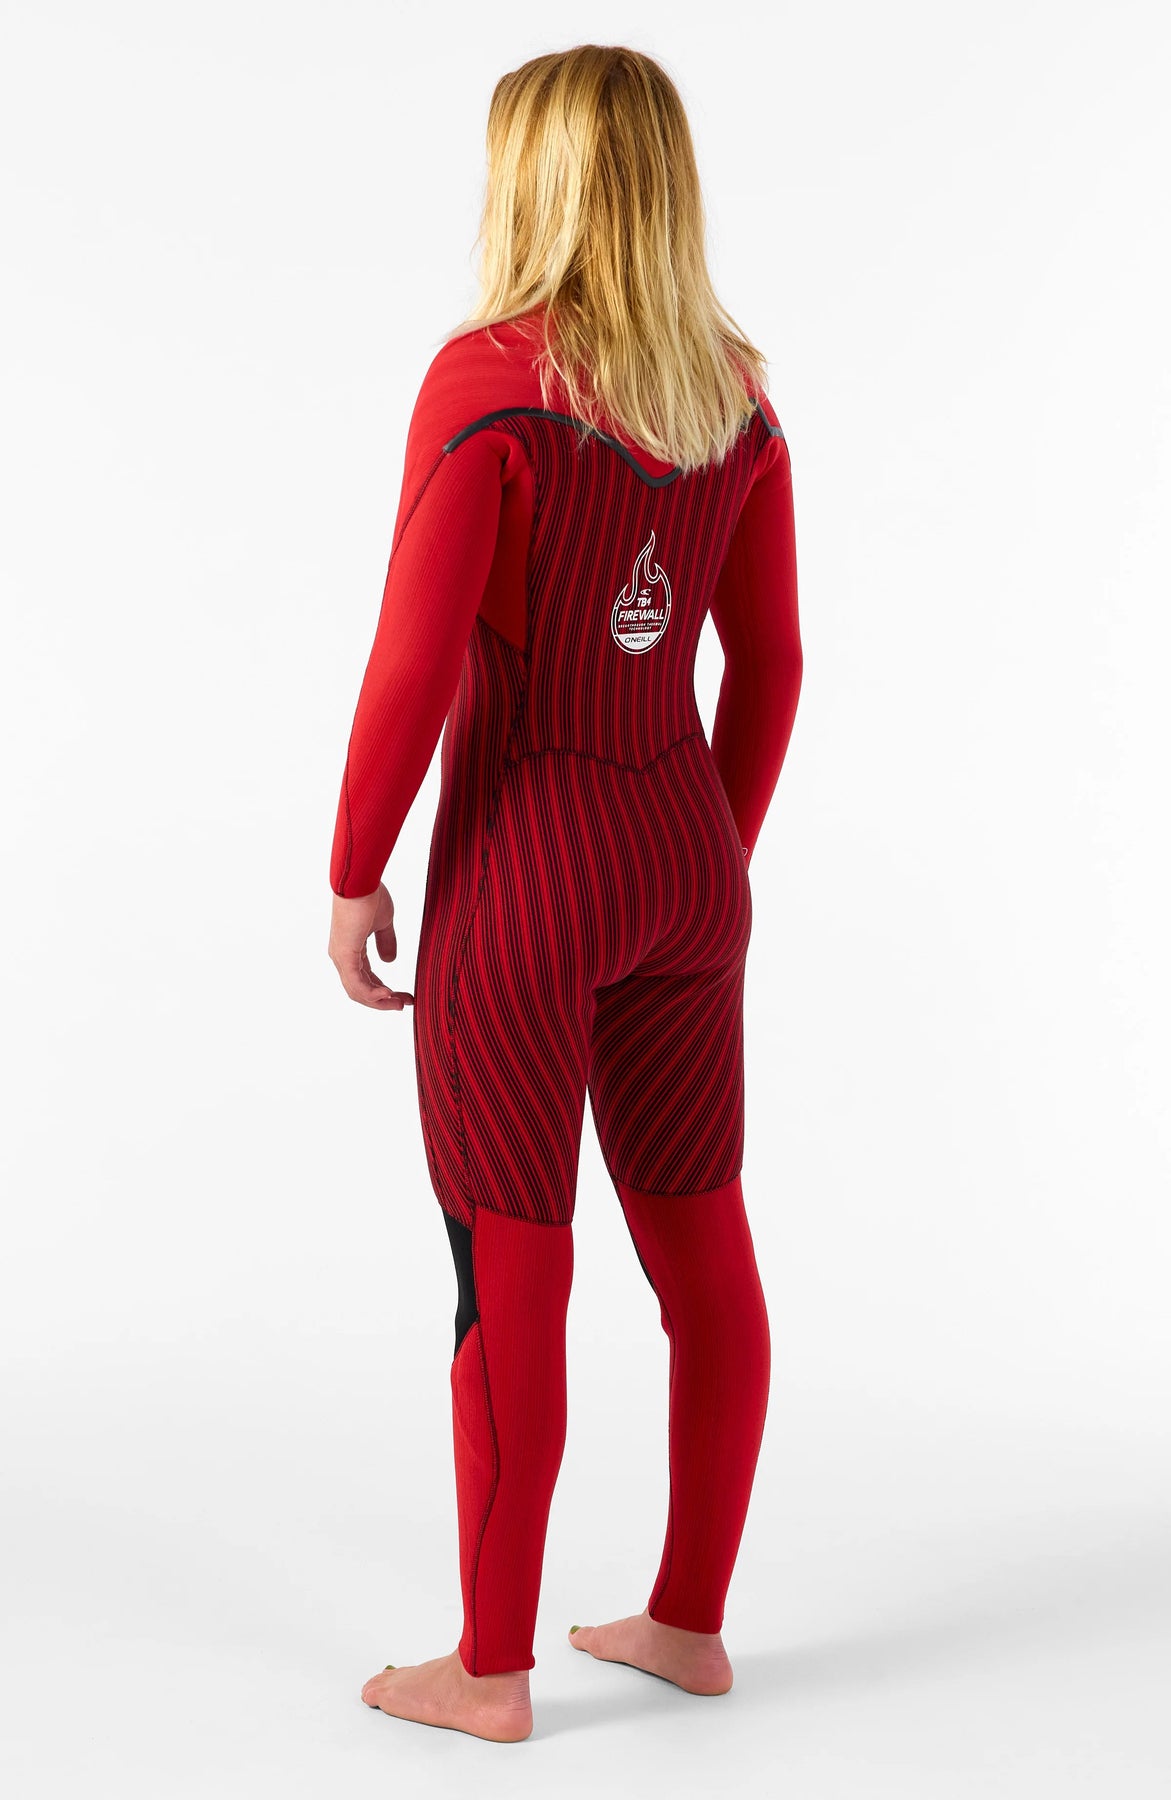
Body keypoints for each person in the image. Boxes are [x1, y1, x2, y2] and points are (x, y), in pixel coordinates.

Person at [326, 42, 802, 1744]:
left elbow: (412, 661)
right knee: (704, 1253)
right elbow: (773, 665)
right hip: (688, 864)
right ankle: (688, 1624)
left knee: (510, 1271)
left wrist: (353, 871)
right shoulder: (735, 394)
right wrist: (706, 859)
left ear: (530, 179)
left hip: (524, 880)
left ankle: (491, 1669)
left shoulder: (488, 381)